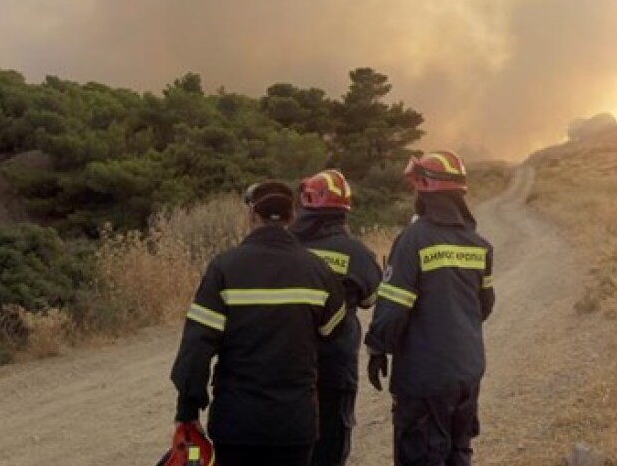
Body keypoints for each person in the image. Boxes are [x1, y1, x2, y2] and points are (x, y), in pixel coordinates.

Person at [170, 180, 347, 466]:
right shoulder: (318, 270)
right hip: (295, 425)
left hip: (237, 424)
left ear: (252, 215)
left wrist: (187, 411)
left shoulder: (224, 268)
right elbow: (335, 331)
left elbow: (196, 348)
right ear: (292, 216)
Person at [364, 150, 495, 466]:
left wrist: (377, 347)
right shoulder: (479, 244)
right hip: (467, 372)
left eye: (416, 188)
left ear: (424, 190)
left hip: (424, 378)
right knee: (458, 452)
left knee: (420, 455)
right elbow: (485, 305)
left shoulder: (413, 239)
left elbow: (393, 308)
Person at [292, 169, 383, 466]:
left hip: (283, 370)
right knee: (330, 449)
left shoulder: (285, 247)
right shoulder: (356, 253)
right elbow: (371, 299)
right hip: (335, 368)